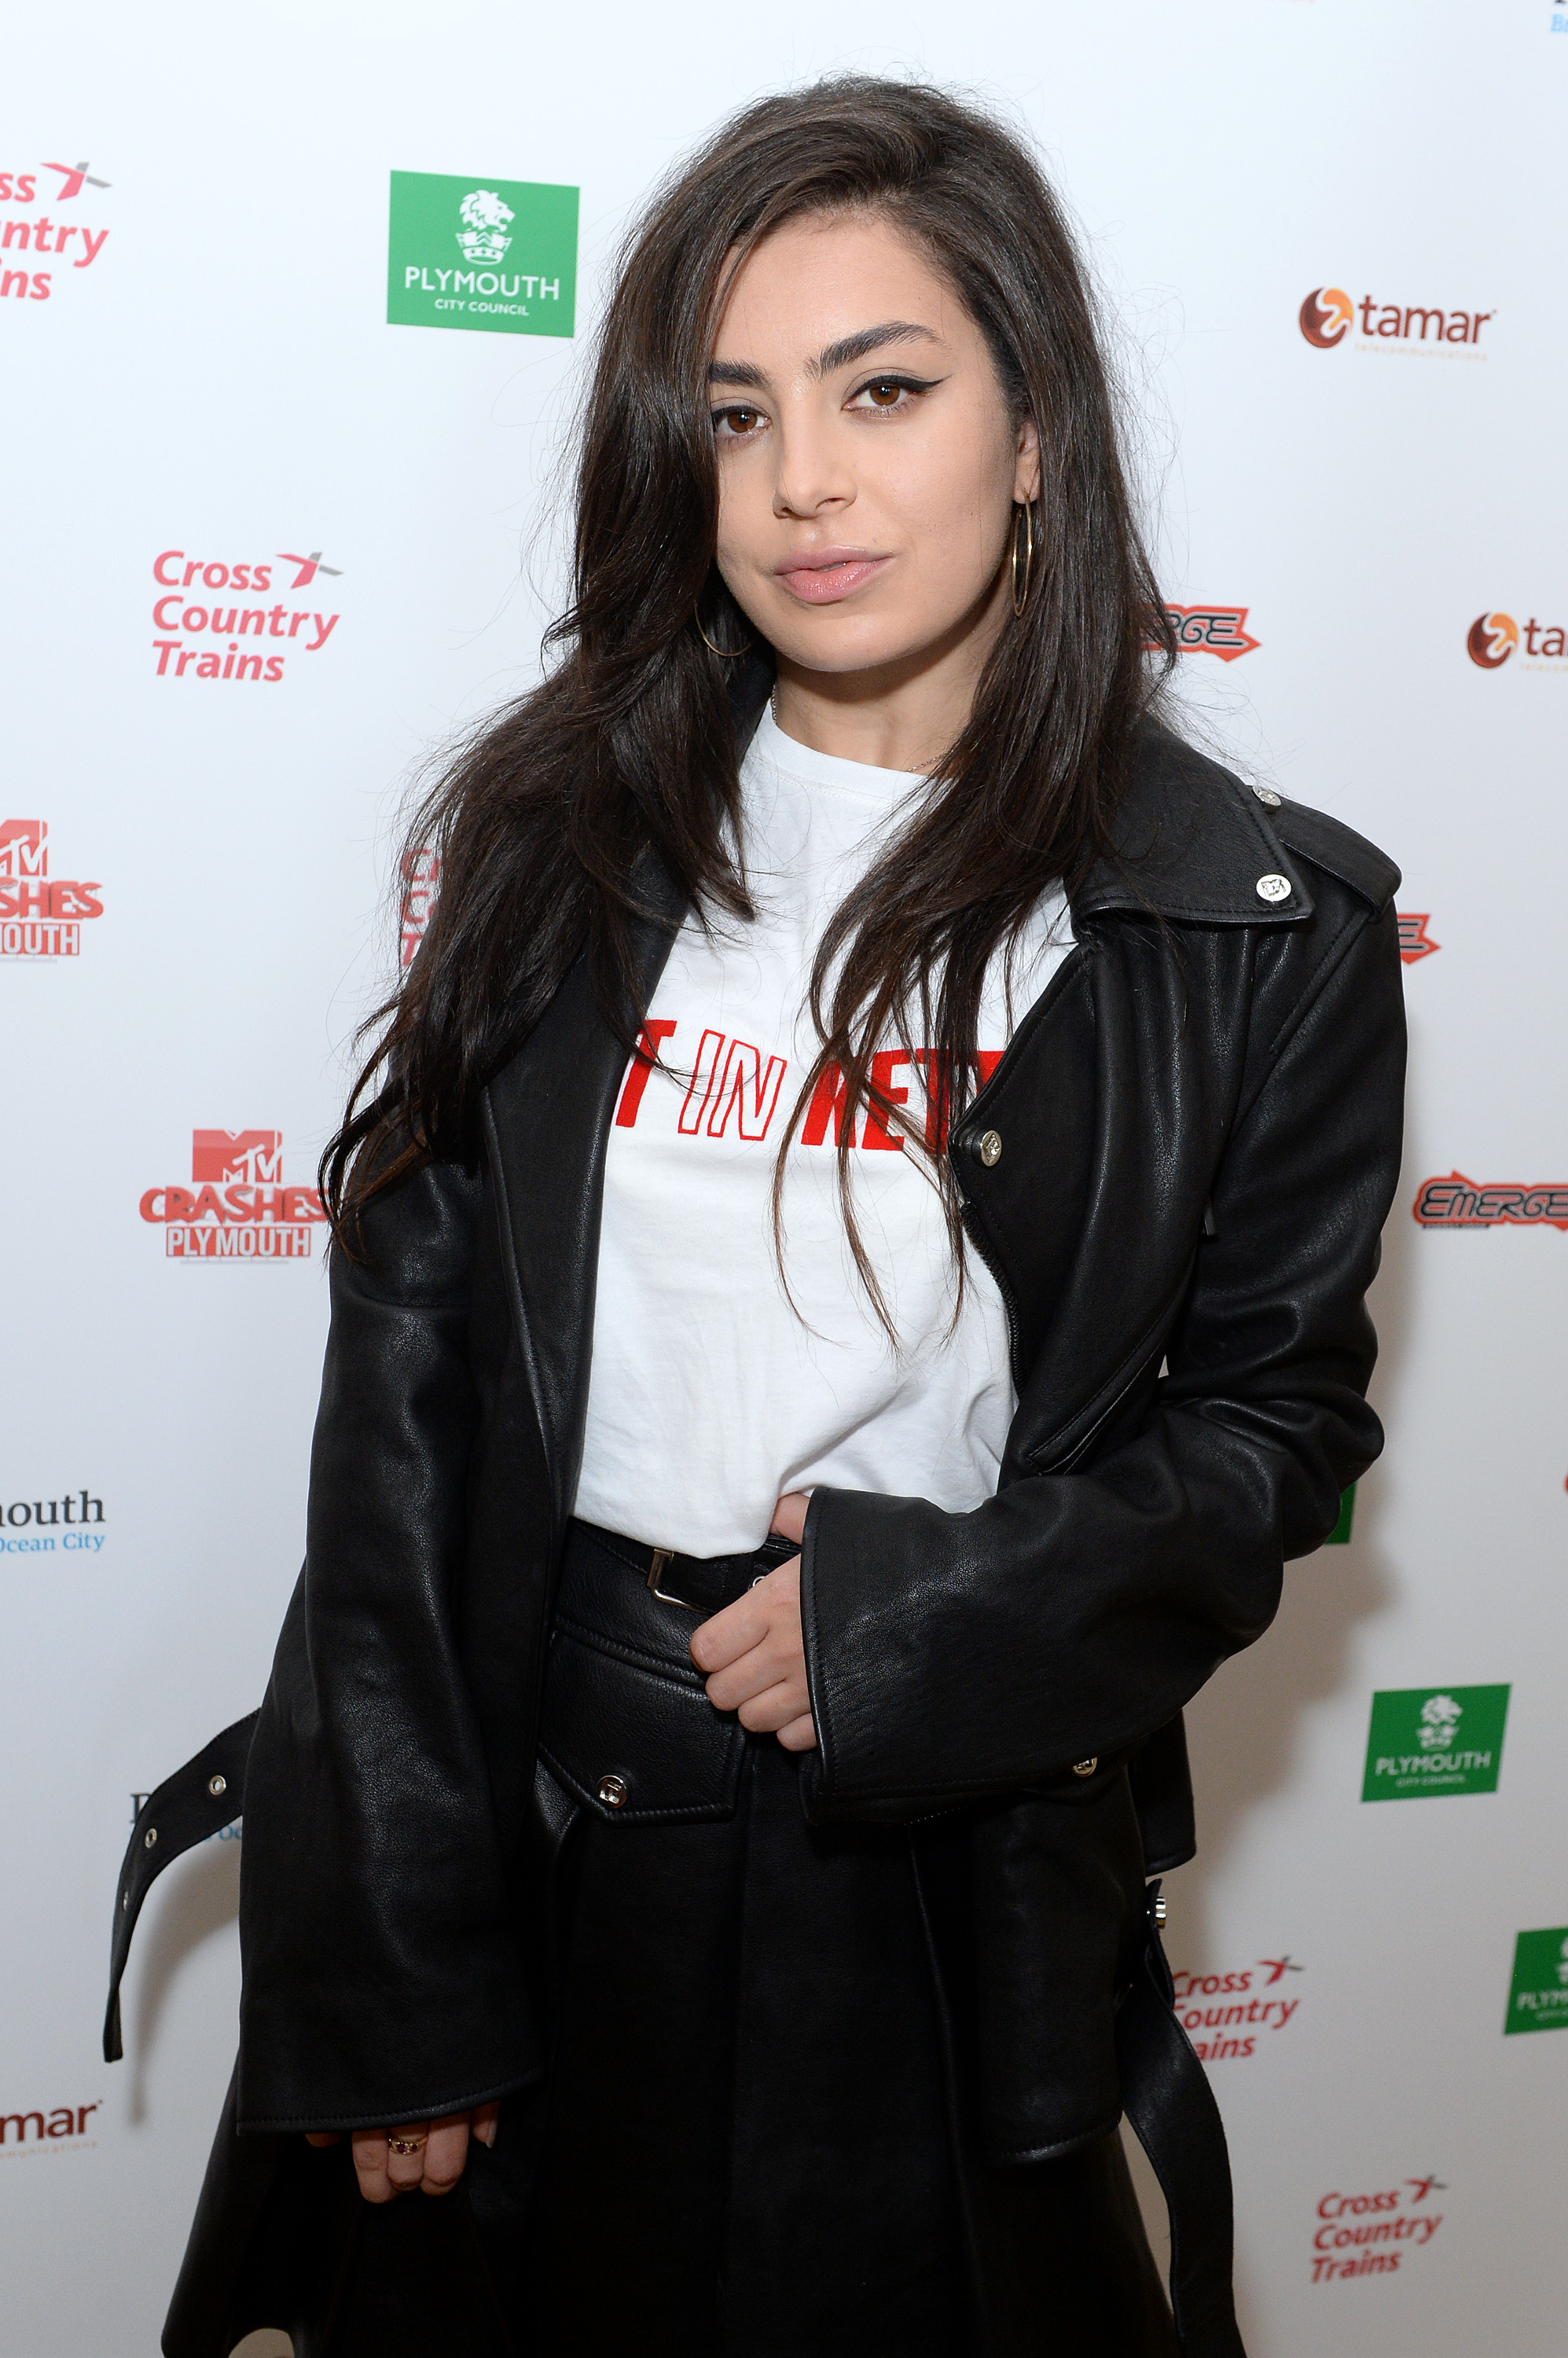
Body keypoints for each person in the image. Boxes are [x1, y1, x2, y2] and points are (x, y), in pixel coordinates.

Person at [116, 72, 1405, 2358]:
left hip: (948, 1863)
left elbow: (1273, 1437)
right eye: (734, 416)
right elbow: (402, 1419)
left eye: (881, 390)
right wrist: (393, 1955)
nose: (802, 479)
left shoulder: (1256, 925)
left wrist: (939, 1615)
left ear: (1035, 431)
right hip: (550, 1819)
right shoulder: (558, 843)